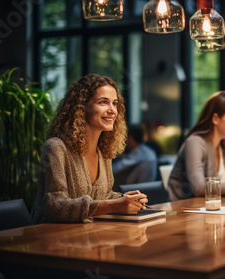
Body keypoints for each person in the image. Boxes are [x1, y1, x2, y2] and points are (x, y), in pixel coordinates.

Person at [31, 74, 148, 224]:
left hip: (89, 235)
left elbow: (102, 197)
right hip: (50, 238)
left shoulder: (104, 152)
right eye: (103, 102)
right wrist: (114, 205)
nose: (112, 110)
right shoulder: (56, 147)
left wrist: (123, 199)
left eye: (115, 103)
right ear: (82, 107)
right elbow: (55, 206)